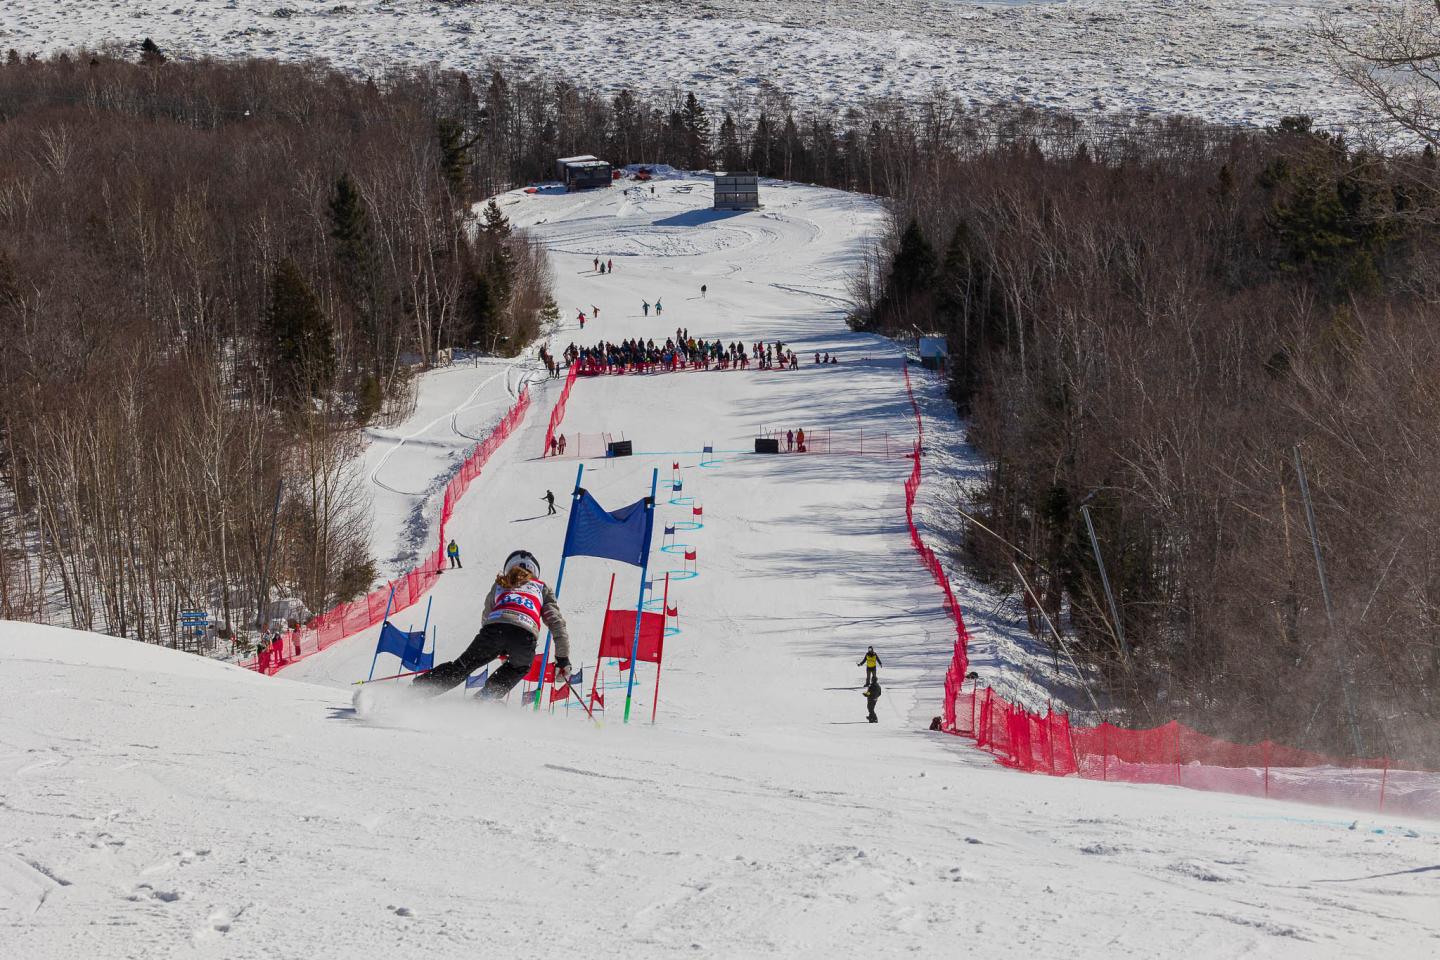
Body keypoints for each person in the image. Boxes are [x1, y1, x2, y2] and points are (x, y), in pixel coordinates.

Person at [414, 550, 571, 700]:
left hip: (494, 630)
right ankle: (482, 701)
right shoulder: (541, 587)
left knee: (462, 667)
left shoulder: (501, 583)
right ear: (534, 571)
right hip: (525, 635)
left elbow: (487, 615)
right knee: (519, 667)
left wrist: (497, 648)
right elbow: (556, 623)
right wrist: (562, 659)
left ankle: (415, 691)